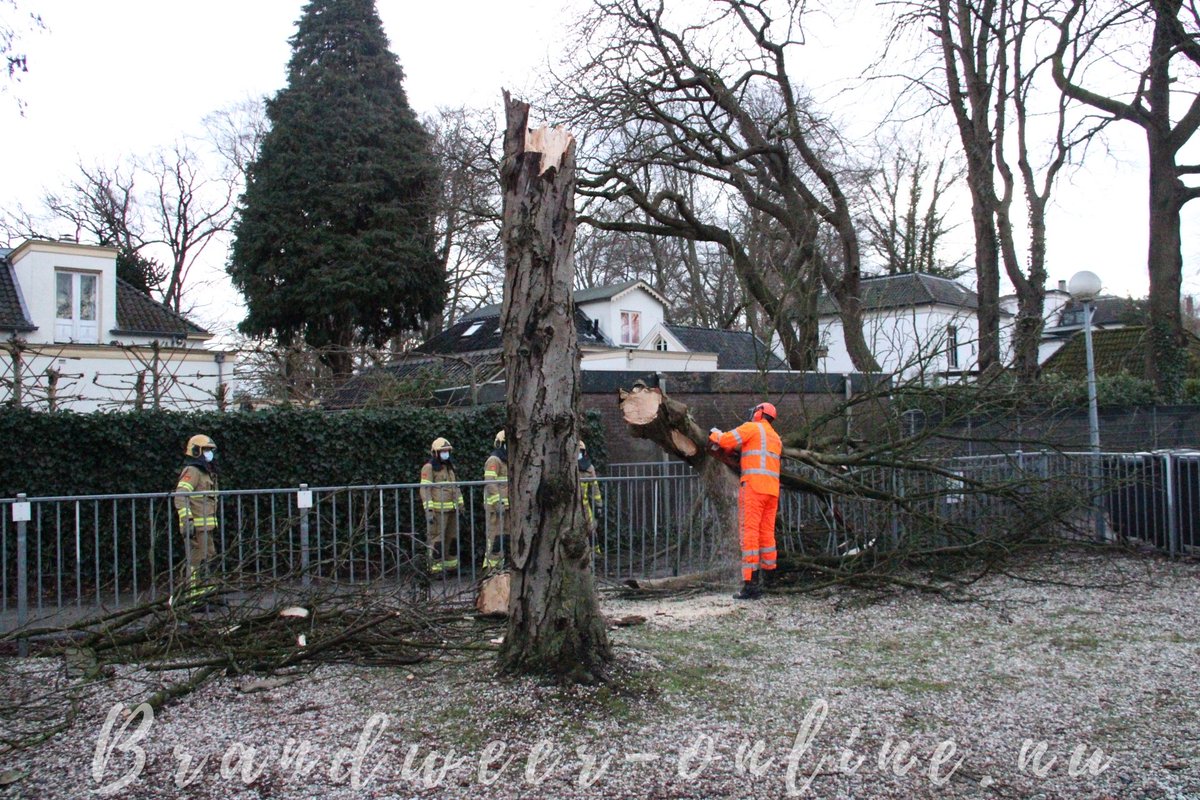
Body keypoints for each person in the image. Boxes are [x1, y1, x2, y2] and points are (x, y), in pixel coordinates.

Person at [708, 402, 782, 600]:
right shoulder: (775, 438)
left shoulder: (752, 428)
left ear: (759, 413)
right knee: (767, 535)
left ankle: (750, 585)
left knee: (749, 534)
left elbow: (726, 440)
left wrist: (713, 433)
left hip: (754, 488)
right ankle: (771, 579)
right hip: (772, 491)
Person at [173, 434, 219, 597]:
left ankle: (207, 594)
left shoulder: (206, 472)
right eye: (206, 450)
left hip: (206, 527)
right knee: (196, 562)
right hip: (196, 527)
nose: (209, 454)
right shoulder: (192, 471)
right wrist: (187, 520)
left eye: (210, 450)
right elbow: (181, 495)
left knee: (209, 558)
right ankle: (193, 596)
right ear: (196, 451)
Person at [420, 437, 465, 574]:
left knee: (452, 538)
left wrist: (461, 504)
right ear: (435, 452)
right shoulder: (429, 468)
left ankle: (451, 567)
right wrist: (429, 509)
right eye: (443, 451)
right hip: (438, 511)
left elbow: (455, 487)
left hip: (452, 510)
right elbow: (424, 489)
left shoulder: (449, 468)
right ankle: (435, 569)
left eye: (447, 451)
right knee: (437, 540)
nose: (446, 453)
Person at [482, 430, 509, 570]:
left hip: (508, 508)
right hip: (496, 508)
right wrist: (498, 502)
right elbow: (490, 483)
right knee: (495, 537)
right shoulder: (494, 460)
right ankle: (491, 569)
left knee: (507, 537)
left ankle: (503, 566)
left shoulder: (508, 461)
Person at [578, 440, 604, 550]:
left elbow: (595, 488)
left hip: (584, 506)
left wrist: (599, 506)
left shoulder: (589, 468)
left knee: (591, 529)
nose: (578, 454)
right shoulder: (567, 466)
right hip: (570, 506)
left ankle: (595, 555)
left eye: (580, 452)